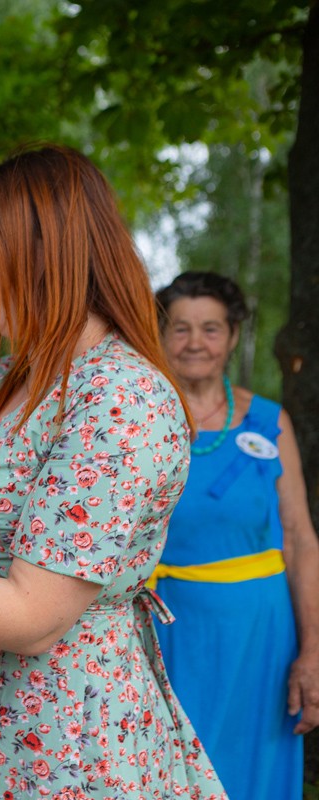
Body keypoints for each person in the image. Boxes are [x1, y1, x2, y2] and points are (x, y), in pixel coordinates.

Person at [0, 144, 227, 799]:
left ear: (45, 245)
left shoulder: (120, 397)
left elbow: (34, 615)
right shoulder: (15, 372)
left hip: (59, 738)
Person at [151, 271, 319, 799]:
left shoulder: (272, 421)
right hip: (167, 627)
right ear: (159, 335)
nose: (195, 342)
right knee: (168, 769)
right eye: (180, 329)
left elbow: (299, 539)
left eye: (211, 328)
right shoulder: (140, 418)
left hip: (261, 636)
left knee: (252, 773)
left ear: (233, 336)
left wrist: (313, 651)